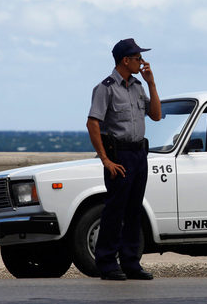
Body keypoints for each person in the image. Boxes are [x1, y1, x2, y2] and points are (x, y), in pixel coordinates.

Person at [86, 38, 161, 280]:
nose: (142, 62)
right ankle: (107, 264)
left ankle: (131, 263)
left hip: (139, 154)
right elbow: (93, 124)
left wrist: (151, 84)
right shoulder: (105, 88)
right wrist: (105, 160)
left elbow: (157, 116)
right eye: (138, 58)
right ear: (125, 60)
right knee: (114, 210)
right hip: (120, 155)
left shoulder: (139, 87)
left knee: (134, 210)